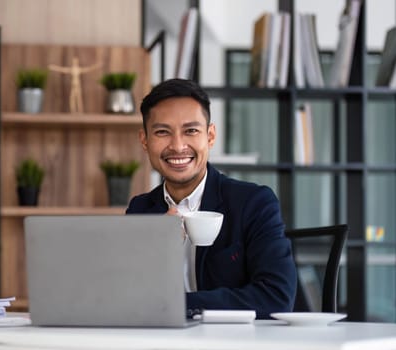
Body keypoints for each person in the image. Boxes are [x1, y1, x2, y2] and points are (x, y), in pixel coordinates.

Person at [126, 78, 297, 319]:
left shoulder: (254, 202)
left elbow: (276, 297)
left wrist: (181, 305)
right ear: (145, 140)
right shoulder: (140, 209)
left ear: (210, 136)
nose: (177, 146)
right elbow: (126, 296)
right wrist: (157, 249)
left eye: (191, 131)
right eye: (162, 132)